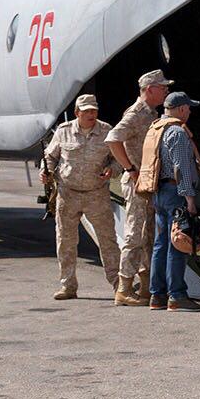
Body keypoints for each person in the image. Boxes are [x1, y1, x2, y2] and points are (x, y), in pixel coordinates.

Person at [43, 94, 121, 300]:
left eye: (94, 110)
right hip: (68, 195)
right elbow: (50, 157)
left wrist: (112, 170)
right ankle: (68, 286)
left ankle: (119, 285)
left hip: (97, 195)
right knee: (65, 241)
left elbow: (118, 159)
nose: (91, 114)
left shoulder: (106, 131)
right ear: (77, 112)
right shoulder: (63, 132)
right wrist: (46, 171)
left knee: (108, 240)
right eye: (86, 111)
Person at [106, 69, 173, 307]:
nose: (166, 90)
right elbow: (113, 139)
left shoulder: (152, 113)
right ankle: (124, 288)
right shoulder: (135, 114)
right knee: (135, 234)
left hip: (149, 183)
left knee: (149, 236)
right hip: (137, 184)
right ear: (149, 90)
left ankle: (146, 287)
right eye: (162, 87)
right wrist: (129, 169)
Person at [146, 91, 200, 312]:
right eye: (188, 108)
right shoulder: (177, 132)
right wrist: (189, 199)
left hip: (158, 192)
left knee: (160, 244)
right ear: (180, 109)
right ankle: (177, 295)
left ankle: (157, 295)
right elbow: (182, 168)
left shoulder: (155, 129)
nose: (189, 112)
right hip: (175, 192)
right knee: (178, 242)